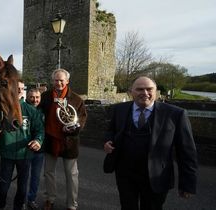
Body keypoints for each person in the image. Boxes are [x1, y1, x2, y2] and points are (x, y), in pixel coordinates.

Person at [103, 76, 198, 210]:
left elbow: (187, 151)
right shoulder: (119, 109)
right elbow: (111, 131)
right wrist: (108, 141)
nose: (145, 93)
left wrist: (187, 184)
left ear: (156, 91)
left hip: (156, 175)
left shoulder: (175, 114)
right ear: (131, 91)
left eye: (149, 89)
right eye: (140, 89)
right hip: (125, 174)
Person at [39, 69, 87, 210]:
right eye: (56, 80)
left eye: (61, 80)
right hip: (50, 139)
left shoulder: (77, 99)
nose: (59, 83)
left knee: (71, 175)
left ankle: (72, 204)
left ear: (67, 81)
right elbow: (39, 114)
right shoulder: (46, 97)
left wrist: (75, 129)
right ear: (52, 81)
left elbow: (82, 118)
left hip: (69, 141)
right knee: (48, 173)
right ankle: (50, 199)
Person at [0, 80, 44, 210]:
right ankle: (1, 206)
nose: (20, 90)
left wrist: (38, 140)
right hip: (7, 152)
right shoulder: (3, 107)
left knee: (22, 186)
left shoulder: (31, 110)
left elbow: (39, 129)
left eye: (22, 88)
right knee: (4, 185)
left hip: (25, 153)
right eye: (17, 88)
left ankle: (18, 207)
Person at [25, 88, 44, 210]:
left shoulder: (43, 111)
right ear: (27, 97)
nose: (35, 100)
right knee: (23, 177)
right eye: (32, 97)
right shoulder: (22, 108)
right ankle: (21, 199)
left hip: (38, 150)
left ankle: (31, 199)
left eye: (37, 97)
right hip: (24, 150)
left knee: (35, 177)